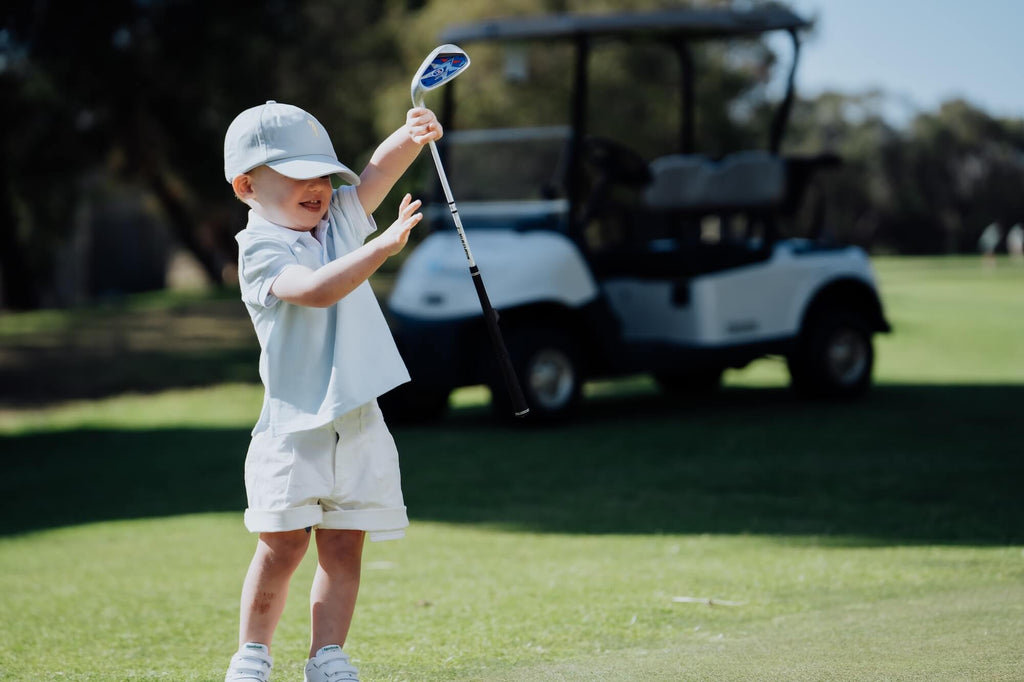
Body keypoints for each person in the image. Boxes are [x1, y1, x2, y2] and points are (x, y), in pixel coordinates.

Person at [221, 100, 442, 682]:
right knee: (283, 547)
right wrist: (382, 248)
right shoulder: (260, 249)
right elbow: (316, 290)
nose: (317, 187)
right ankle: (253, 656)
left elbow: (377, 174)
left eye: (321, 174)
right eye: (297, 177)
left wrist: (410, 136)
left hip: (358, 420)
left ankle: (327, 657)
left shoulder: (336, 221)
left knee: (344, 548)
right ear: (247, 185)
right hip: (295, 427)